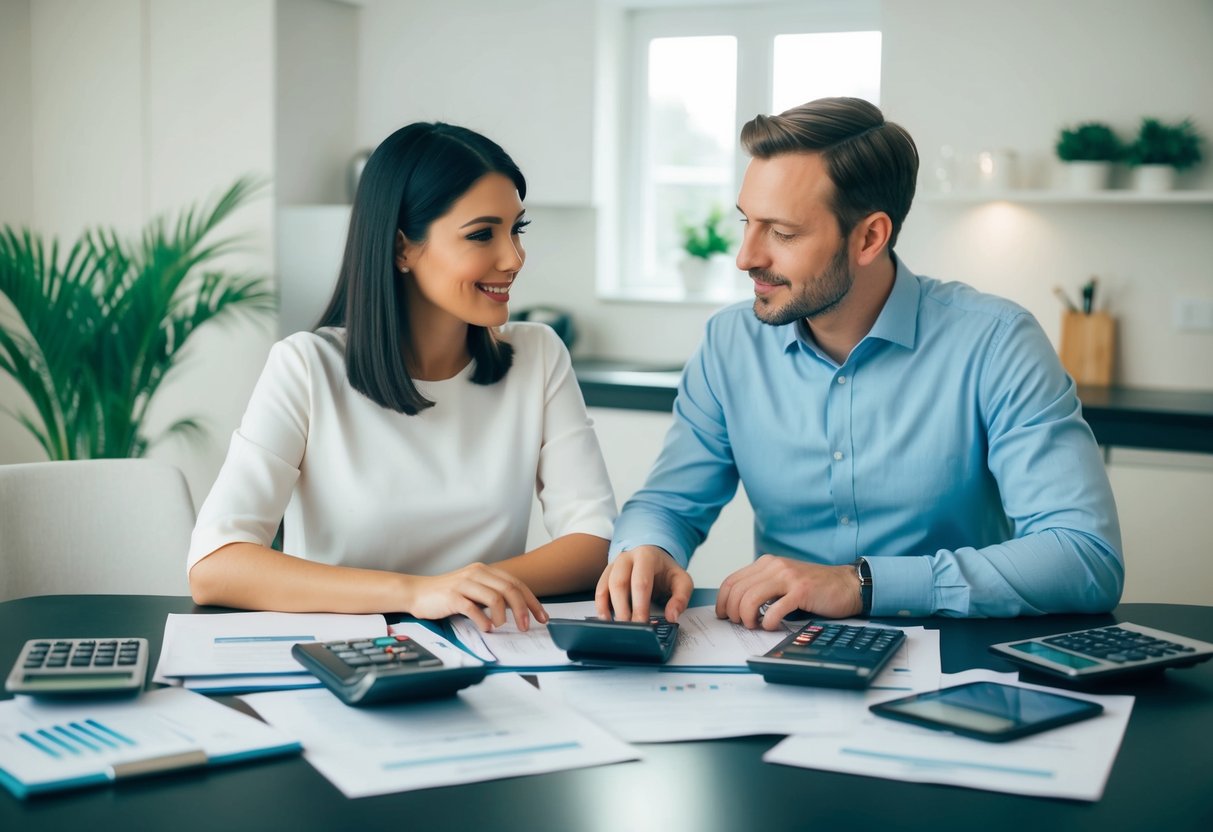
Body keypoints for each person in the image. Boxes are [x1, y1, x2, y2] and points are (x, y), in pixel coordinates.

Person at [597, 97, 1123, 629]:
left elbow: (1083, 556)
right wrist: (648, 547)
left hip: (954, 656)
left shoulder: (996, 342)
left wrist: (860, 584)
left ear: (870, 236)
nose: (746, 256)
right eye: (746, 223)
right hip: (783, 653)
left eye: (782, 233)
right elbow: (668, 503)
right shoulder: (730, 342)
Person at [189, 122, 617, 631]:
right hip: (344, 657)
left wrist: (463, 590)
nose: (514, 258)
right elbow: (216, 564)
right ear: (401, 249)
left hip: (489, 653)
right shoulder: (306, 366)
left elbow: (593, 540)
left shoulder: (539, 356)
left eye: (516, 230)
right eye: (482, 234)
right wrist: (418, 593)